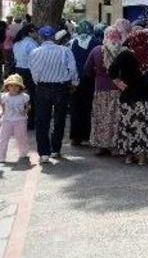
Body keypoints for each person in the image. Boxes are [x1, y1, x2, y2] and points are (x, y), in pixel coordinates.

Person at [108, 30, 148, 165]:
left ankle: (129, 157)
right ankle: (142, 157)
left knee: (128, 126)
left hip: (129, 96)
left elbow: (111, 70)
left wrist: (120, 83)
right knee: (145, 127)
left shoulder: (125, 55)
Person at [29, 25, 79, 162]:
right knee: (59, 119)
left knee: (42, 120)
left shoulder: (35, 52)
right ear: (53, 36)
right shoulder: (65, 50)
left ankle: (44, 153)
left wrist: (38, 83)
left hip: (43, 88)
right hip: (61, 88)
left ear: (40, 37)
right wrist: (74, 83)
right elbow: (73, 69)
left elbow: (34, 72)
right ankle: (55, 149)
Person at [85, 27, 123, 156]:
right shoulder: (124, 51)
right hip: (119, 89)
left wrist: (97, 73)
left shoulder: (96, 51)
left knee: (101, 117)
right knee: (116, 117)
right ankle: (115, 145)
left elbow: (87, 69)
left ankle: (102, 146)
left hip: (100, 88)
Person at [68, 20, 100, 146]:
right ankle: (87, 135)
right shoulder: (95, 42)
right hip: (90, 79)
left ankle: (75, 137)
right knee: (88, 107)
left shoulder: (72, 43)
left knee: (75, 107)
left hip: (75, 80)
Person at [0, 74, 34, 166]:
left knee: (21, 137)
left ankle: (23, 152)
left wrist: (25, 111)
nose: (14, 87)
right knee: (3, 138)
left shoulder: (24, 96)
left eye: (16, 85)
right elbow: (2, 106)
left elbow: (28, 106)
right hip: (7, 120)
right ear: (7, 87)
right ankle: (1, 155)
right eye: (11, 85)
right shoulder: (3, 96)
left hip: (20, 120)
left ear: (20, 87)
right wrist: (2, 113)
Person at [12, 24, 39, 130]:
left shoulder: (17, 43)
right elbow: (36, 60)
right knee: (32, 97)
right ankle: (30, 122)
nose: (37, 34)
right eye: (35, 32)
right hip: (29, 72)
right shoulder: (33, 44)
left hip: (19, 71)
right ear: (30, 32)